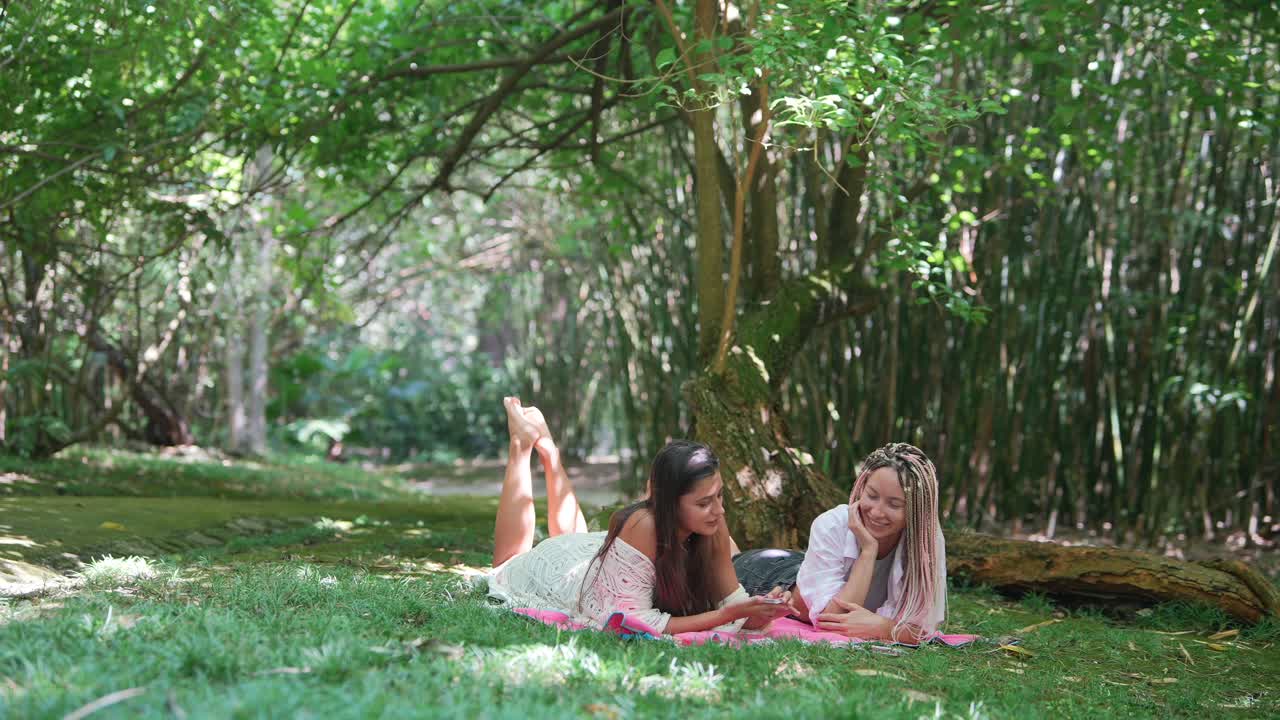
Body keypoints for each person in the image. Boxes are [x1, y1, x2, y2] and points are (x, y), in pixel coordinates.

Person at [487, 397, 792, 634]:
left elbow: (734, 605)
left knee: (574, 538)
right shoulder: (644, 525)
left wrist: (762, 610)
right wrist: (728, 615)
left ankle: (550, 452)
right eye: (703, 503)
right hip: (568, 580)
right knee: (508, 564)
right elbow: (632, 621)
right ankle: (522, 446)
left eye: (720, 496)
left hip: (594, 558)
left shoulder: (713, 524)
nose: (719, 510)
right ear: (669, 502)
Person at [731, 443, 947, 643]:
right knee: (726, 564)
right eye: (871, 495)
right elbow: (833, 620)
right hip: (771, 579)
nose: (877, 512)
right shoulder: (832, 524)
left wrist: (883, 628)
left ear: (916, 511)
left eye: (894, 504)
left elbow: (923, 628)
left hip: (804, 567)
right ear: (862, 487)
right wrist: (869, 550)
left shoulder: (925, 542)